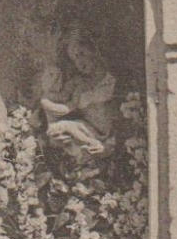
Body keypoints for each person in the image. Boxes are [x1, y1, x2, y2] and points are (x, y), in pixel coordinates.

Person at [37, 28, 118, 160]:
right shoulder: (77, 84)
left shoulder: (113, 81)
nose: (79, 61)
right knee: (58, 130)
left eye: (81, 53)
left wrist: (108, 146)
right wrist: (46, 101)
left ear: (94, 51)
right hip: (90, 132)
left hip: (112, 139)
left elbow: (122, 122)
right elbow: (65, 105)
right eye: (74, 58)